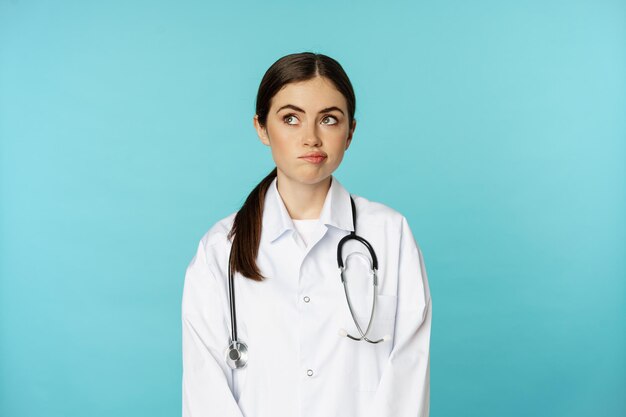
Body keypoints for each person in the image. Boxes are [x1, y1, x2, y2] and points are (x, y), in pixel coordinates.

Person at [181, 52, 432, 417]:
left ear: (350, 132)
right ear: (261, 128)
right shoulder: (220, 248)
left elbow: (408, 373)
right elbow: (205, 389)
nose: (311, 138)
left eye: (329, 119)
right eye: (291, 119)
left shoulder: (389, 234)